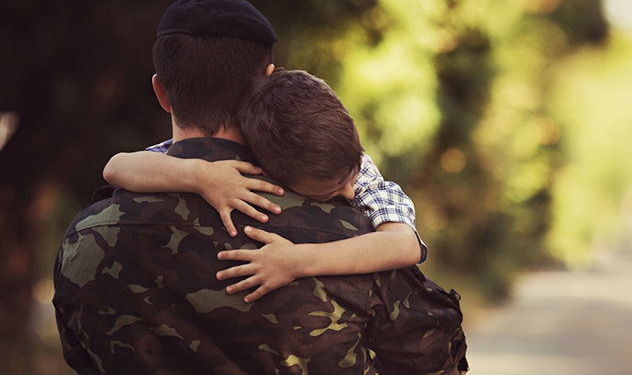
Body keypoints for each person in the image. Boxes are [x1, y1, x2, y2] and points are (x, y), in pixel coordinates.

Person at [53, 0, 467, 375]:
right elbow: (439, 368)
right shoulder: (350, 235)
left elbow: (92, 366)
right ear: (266, 81)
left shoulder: (87, 240)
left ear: (161, 91)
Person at [103, 90, 427, 304]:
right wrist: (201, 176)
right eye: (333, 191)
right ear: (276, 175)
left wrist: (297, 261)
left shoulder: (355, 167)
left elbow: (403, 244)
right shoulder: (259, 153)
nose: (350, 191)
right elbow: (116, 167)